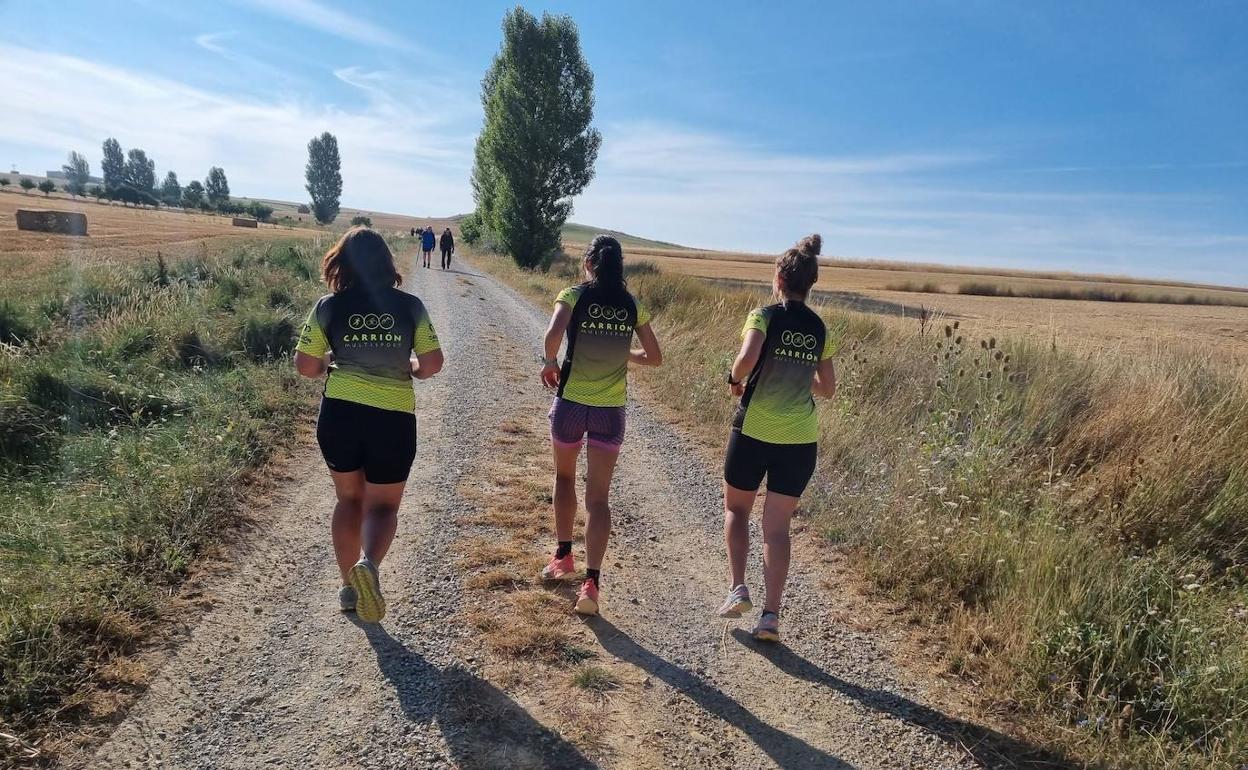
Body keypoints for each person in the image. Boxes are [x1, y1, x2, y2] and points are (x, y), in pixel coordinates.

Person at [293, 226, 444, 623]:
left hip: (340, 413)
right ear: (387, 263)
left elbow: (306, 366)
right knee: (382, 505)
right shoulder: (411, 306)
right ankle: (369, 566)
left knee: (348, 500)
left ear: (341, 262)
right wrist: (408, 364)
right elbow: (431, 364)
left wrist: (330, 360)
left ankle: (348, 588)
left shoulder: (328, 306)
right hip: (392, 417)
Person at [716, 234, 836, 642]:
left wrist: (735, 379)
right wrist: (797, 378)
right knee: (778, 529)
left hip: (753, 430)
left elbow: (747, 358)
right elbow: (828, 386)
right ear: (810, 283)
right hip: (800, 440)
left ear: (779, 278)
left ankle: (738, 589)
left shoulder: (763, 315)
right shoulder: (820, 328)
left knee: (736, 509)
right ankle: (770, 616)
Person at [539, 235, 662, 615]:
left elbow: (553, 335)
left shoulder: (573, 295)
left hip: (572, 403)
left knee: (563, 479)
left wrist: (549, 362)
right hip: (610, 410)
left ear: (589, 263)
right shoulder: (631, 305)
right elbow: (655, 357)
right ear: (619, 266)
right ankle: (592, 584)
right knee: (599, 499)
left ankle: (563, 557)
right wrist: (622, 352)